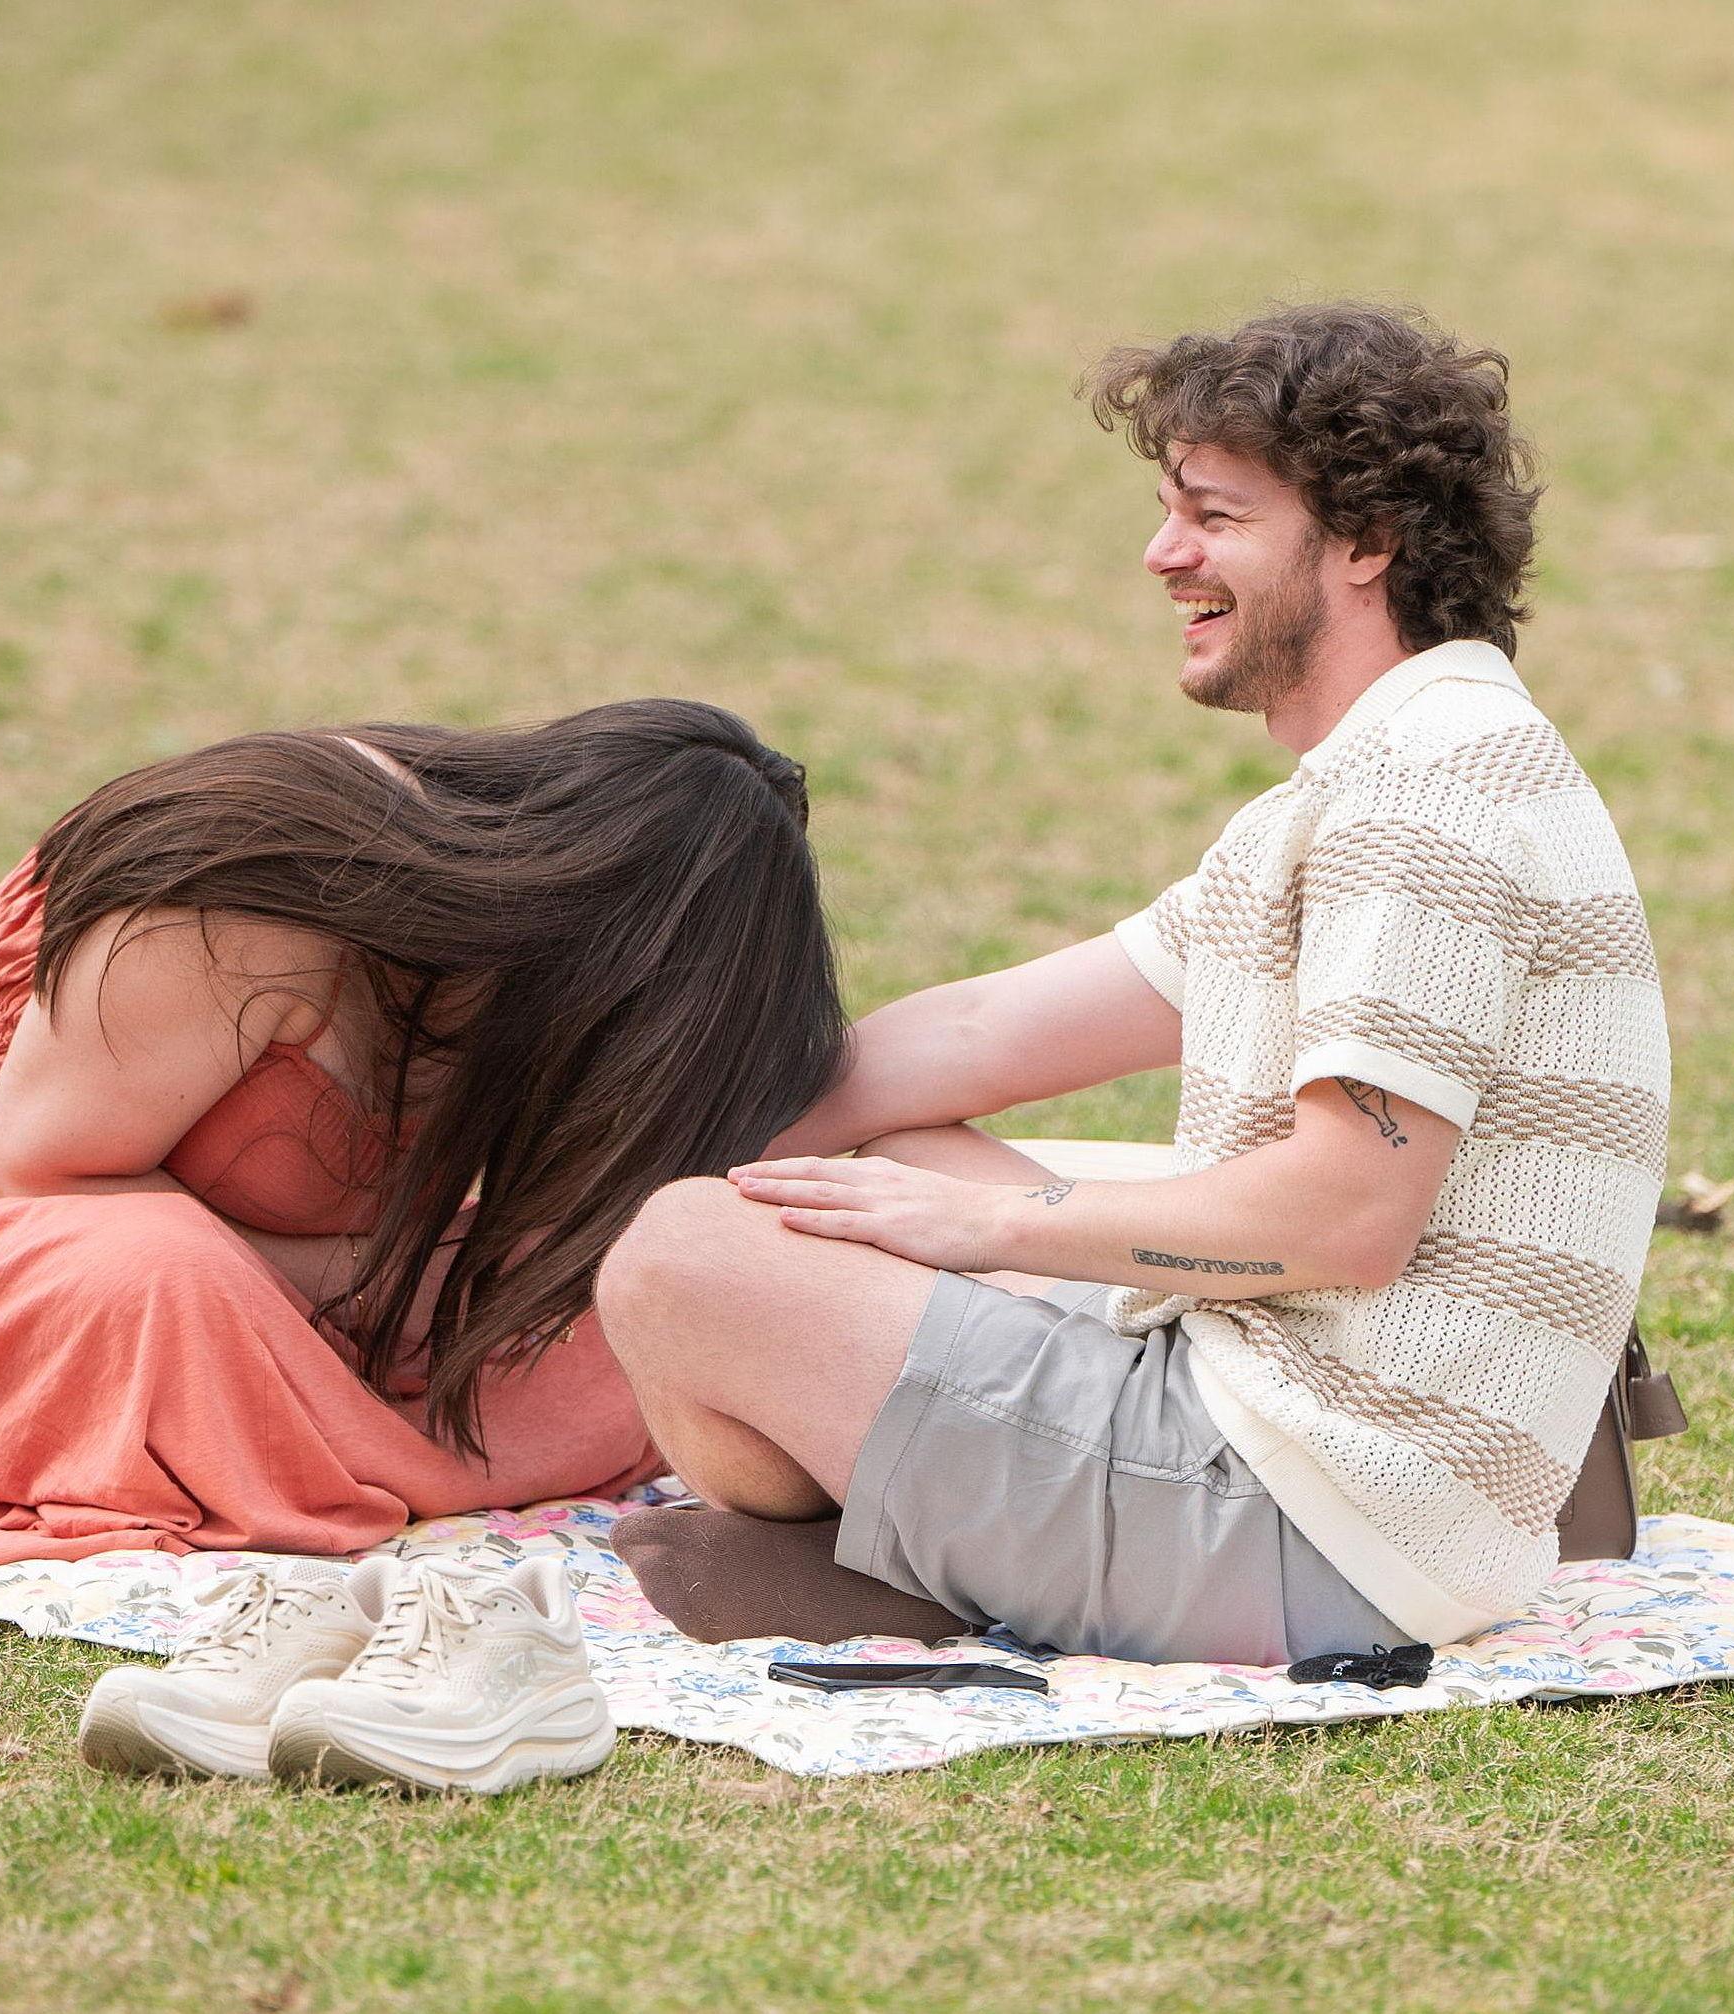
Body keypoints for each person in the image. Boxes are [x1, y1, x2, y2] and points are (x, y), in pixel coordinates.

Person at [598, 304, 1671, 1663]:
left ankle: (895, 1550)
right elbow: (979, 1034)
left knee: (677, 1259)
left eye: (1213, 516)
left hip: (1308, 1520)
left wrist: (983, 1227)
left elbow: (1348, 1214)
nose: (1162, 554)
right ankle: (927, 1534)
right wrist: (640, 1143)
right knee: (864, 1160)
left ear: (1364, 540)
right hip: (1327, 1473)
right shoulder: (1392, 775)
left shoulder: (1423, 807)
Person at [0, 700, 848, 1586]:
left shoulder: (506, 983)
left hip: (305, 1266)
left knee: (627, 1277)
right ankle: (327, 1439)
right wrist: (405, 1275)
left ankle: (305, 1432)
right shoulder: (253, 888)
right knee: (160, 1278)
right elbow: (34, 1180)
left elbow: (847, 1094)